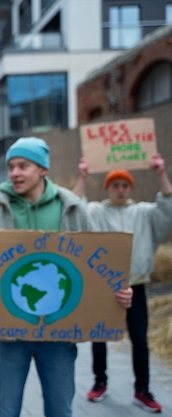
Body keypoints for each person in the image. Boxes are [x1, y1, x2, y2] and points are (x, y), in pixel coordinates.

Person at [0, 137, 133, 417]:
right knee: (6, 408)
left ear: (42, 170)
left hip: (59, 334)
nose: (14, 172)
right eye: (11, 166)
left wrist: (117, 290)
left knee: (60, 409)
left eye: (22, 166)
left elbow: (97, 261)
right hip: (10, 334)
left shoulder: (72, 207)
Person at [73, 154, 172, 413]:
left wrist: (161, 173)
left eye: (124, 185)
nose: (120, 189)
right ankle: (100, 382)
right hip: (103, 286)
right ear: (108, 188)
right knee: (100, 337)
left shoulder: (144, 212)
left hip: (136, 285)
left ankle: (143, 390)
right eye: (115, 185)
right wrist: (82, 176)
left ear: (130, 189)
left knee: (140, 339)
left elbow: (168, 206)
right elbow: (74, 207)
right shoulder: (96, 211)